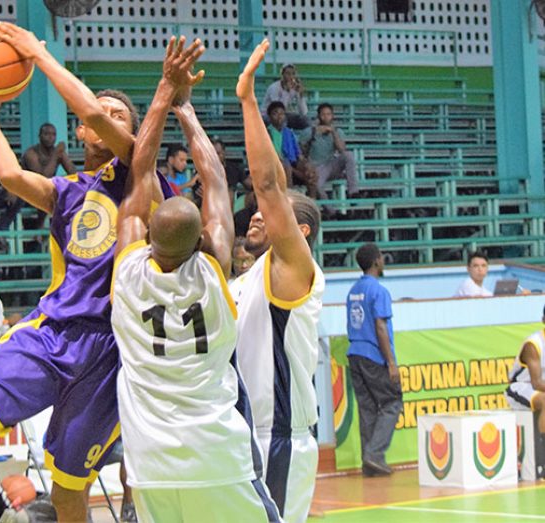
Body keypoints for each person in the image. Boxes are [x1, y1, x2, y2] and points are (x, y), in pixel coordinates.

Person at [0, 22, 175, 522]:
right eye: (103, 115)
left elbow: (92, 108)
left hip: (109, 346)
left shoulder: (144, 174)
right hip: (52, 330)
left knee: (69, 490)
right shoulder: (66, 191)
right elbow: (8, 175)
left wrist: (37, 55)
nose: (107, 119)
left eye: (121, 117)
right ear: (81, 133)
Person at [112, 39, 278, 523]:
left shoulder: (126, 273)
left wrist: (165, 90)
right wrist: (186, 108)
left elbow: (139, 172)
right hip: (217, 455)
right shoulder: (214, 270)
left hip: (149, 462)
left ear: (144, 233)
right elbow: (218, 181)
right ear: (203, 237)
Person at [232, 39, 325, 523]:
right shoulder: (245, 279)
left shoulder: (294, 269)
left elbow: (267, 184)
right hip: (237, 434)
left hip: (279, 434)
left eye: (272, 216)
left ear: (299, 232)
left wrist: (248, 99)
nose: (256, 216)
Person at [346, 242, 403, 477]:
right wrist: (390, 362)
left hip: (355, 353)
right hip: (373, 354)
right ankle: (375, 454)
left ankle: (369, 461)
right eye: (381, 257)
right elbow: (380, 326)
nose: (383, 260)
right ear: (376, 261)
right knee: (392, 402)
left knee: (368, 407)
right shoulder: (379, 291)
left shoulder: (353, 290)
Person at [20, 122, 77, 229]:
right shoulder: (31, 154)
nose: (50, 137)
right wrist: (56, 155)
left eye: (53, 134)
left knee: (68, 189)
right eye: (47, 134)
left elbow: (73, 172)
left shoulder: (57, 152)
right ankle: (39, 226)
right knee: (48, 191)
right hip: (27, 193)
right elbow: (42, 178)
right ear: (40, 136)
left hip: (46, 192)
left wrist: (63, 156)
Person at [303, 103, 359, 200]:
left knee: (349, 155)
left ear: (332, 116)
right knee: (316, 185)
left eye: (328, 114)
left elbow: (342, 149)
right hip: (317, 167)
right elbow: (300, 149)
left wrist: (333, 132)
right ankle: (332, 212)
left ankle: (353, 192)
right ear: (319, 116)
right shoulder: (309, 131)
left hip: (332, 164)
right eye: (323, 114)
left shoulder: (338, 131)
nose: (326, 117)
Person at [506, 305, 545, 437]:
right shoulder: (533, 344)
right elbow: (537, 383)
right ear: (543, 320)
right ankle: (543, 446)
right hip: (521, 387)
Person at [266, 101, 318, 199]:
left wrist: (306, 165)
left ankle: (313, 200)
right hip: (277, 165)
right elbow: (274, 156)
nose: (279, 116)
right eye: (275, 113)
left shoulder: (289, 132)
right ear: (269, 116)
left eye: (281, 113)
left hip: (292, 162)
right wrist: (295, 171)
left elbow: (299, 154)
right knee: (287, 167)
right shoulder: (267, 133)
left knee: (310, 168)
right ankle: (289, 198)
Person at [261, 63, 309, 130]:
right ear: (282, 75)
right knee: (282, 120)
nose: (291, 76)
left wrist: (300, 95)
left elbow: (304, 112)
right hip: (268, 115)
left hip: (284, 114)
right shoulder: (274, 88)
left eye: (293, 74)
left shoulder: (294, 87)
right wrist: (286, 91)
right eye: (288, 73)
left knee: (305, 121)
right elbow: (278, 108)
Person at [212, 139, 251, 207]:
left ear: (224, 153)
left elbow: (250, 185)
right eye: (212, 154)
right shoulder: (204, 169)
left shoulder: (233, 168)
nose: (215, 157)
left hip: (230, 203)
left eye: (218, 153)